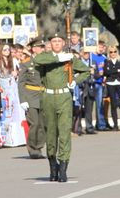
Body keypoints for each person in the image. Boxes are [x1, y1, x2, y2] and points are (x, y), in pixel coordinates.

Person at [32, 33, 90, 182]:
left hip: (64, 97)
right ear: (50, 44)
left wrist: (75, 81)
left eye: (59, 41)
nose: (56, 43)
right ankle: (53, 165)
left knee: (64, 132)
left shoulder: (70, 58)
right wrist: (58, 58)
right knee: (51, 133)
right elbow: (37, 60)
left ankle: (63, 168)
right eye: (53, 41)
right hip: (48, 97)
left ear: (64, 43)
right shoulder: (45, 57)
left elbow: (86, 71)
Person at [17, 39, 46, 158]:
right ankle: (33, 149)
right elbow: (21, 83)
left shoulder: (46, 62)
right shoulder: (26, 63)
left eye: (43, 47)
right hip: (30, 96)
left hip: (43, 96)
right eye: (40, 47)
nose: (42, 49)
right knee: (34, 123)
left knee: (43, 124)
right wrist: (23, 99)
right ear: (34, 49)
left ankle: (39, 147)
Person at [103, 45, 120, 130]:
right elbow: (106, 72)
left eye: (114, 51)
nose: (113, 53)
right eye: (111, 52)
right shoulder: (106, 61)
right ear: (109, 53)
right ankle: (115, 125)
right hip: (110, 83)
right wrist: (116, 71)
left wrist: (113, 71)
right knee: (113, 104)